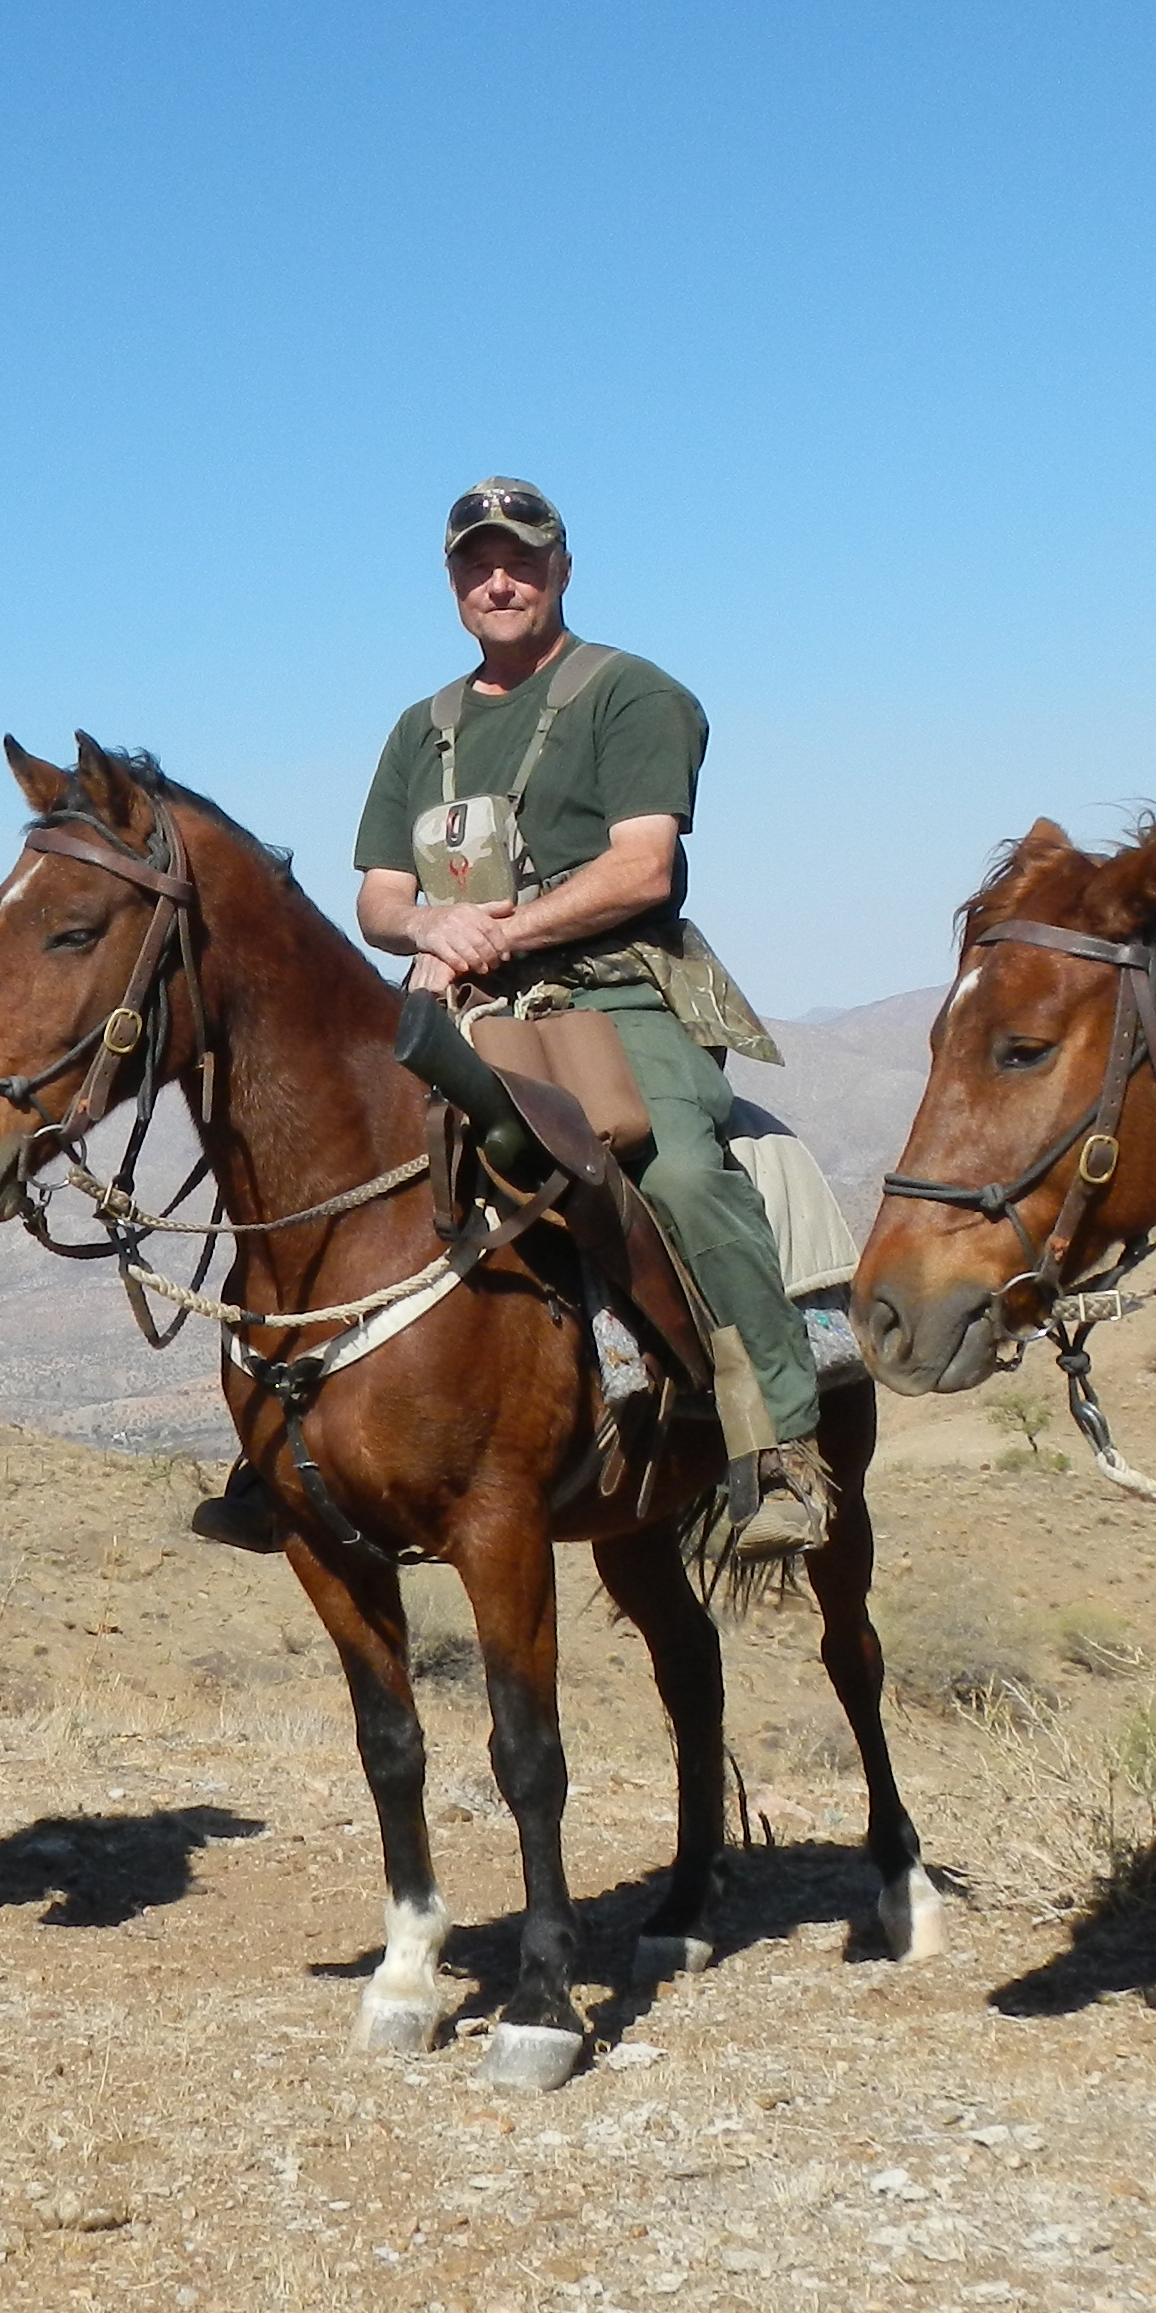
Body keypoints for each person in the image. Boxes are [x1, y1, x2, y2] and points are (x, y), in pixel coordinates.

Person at [344, 474, 833, 1558]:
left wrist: (502, 931)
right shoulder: (417, 733)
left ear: (562, 567)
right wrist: (430, 927)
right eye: (477, 562)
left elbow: (642, 868)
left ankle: (784, 1448)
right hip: (458, 1000)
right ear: (452, 579)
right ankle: (293, 1439)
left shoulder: (633, 695)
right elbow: (379, 897)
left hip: (612, 996)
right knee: (330, 1164)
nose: (499, 579)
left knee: (678, 1171)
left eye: (520, 558)